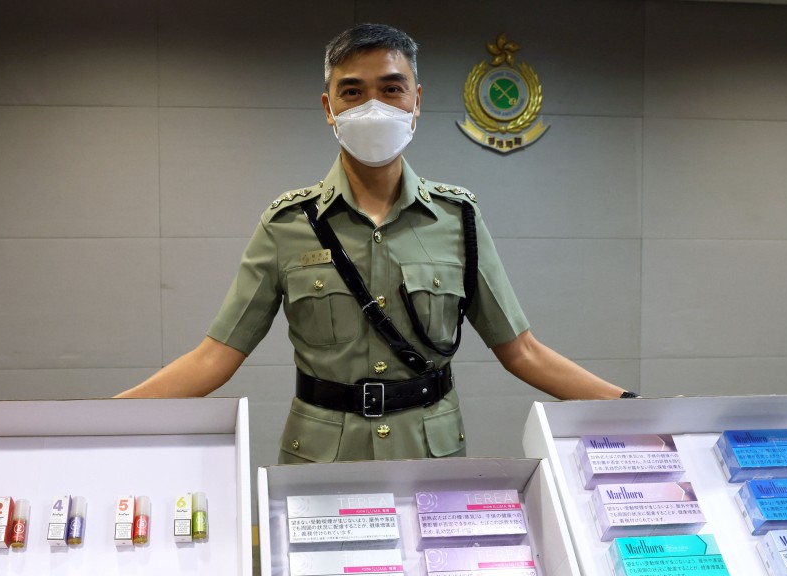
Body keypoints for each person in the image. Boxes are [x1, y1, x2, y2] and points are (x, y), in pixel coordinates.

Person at [117, 24, 633, 463]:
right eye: (352, 91)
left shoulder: (459, 218)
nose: (373, 106)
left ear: (416, 100)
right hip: (321, 456)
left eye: (391, 89)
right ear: (328, 106)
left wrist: (632, 407)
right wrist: (97, 418)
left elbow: (523, 352)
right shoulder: (287, 224)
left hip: (430, 455)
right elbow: (214, 358)